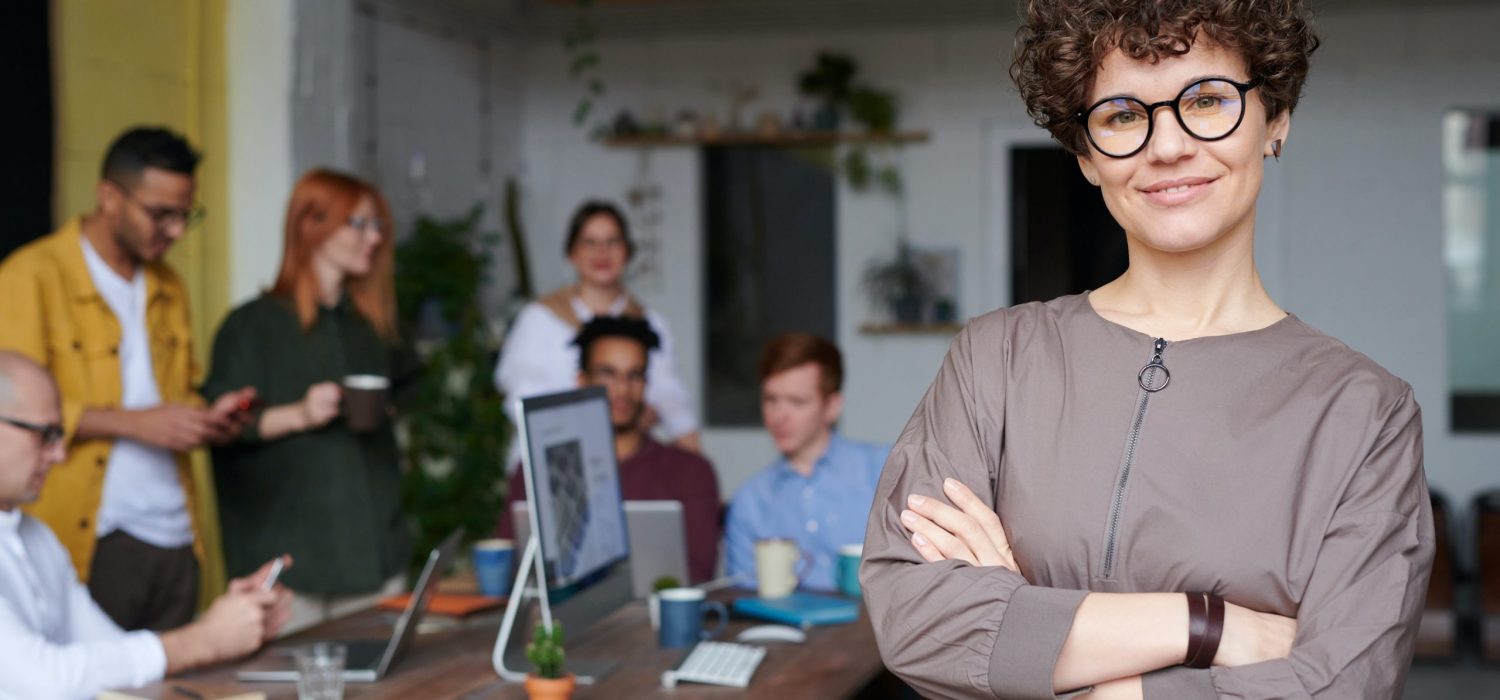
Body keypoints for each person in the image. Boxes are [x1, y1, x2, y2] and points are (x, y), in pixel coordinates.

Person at [860, 2, 1433, 699]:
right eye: (1124, 114)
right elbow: (916, 622)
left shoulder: (1365, 412)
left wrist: (1028, 643)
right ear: (1087, 155)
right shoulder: (997, 361)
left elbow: (1345, 686)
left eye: (1208, 100)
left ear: (1275, 120)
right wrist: (1209, 627)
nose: (1167, 147)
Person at [0, 127, 257, 632]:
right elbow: (14, 413)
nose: (177, 231)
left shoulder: (169, 285)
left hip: (177, 534)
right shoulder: (30, 276)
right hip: (93, 536)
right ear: (110, 197)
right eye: (161, 214)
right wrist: (137, 424)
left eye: (186, 215)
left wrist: (206, 420)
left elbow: (173, 394)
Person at [0, 351, 292, 700]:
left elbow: (116, 652)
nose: (60, 454)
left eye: (60, 435)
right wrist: (204, 641)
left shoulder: (37, 539)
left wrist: (229, 627)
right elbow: (41, 683)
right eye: (45, 434)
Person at [201, 169, 416, 634]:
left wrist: (385, 408)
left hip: (377, 550)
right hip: (293, 563)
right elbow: (220, 426)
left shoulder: (374, 325)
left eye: (377, 225)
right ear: (310, 225)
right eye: (358, 224)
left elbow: (408, 388)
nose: (374, 238)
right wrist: (300, 413)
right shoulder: (251, 326)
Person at [499, 316, 721, 583]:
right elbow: (506, 568)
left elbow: (698, 575)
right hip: (563, 619)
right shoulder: (536, 471)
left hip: (653, 620)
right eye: (608, 374)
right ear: (582, 381)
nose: (622, 390)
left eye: (634, 376)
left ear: (646, 384)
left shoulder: (690, 471)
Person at [495, 201, 699, 464]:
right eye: (589, 243)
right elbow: (522, 401)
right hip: (547, 459)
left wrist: (695, 462)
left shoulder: (649, 324)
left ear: (627, 251)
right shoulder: (539, 318)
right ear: (572, 253)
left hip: (624, 464)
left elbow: (672, 403)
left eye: (612, 242)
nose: (602, 252)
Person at [725, 333, 889, 592]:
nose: (779, 416)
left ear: (832, 406)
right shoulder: (750, 500)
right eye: (771, 399)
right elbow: (744, 600)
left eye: (797, 402)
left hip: (876, 630)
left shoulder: (883, 470)